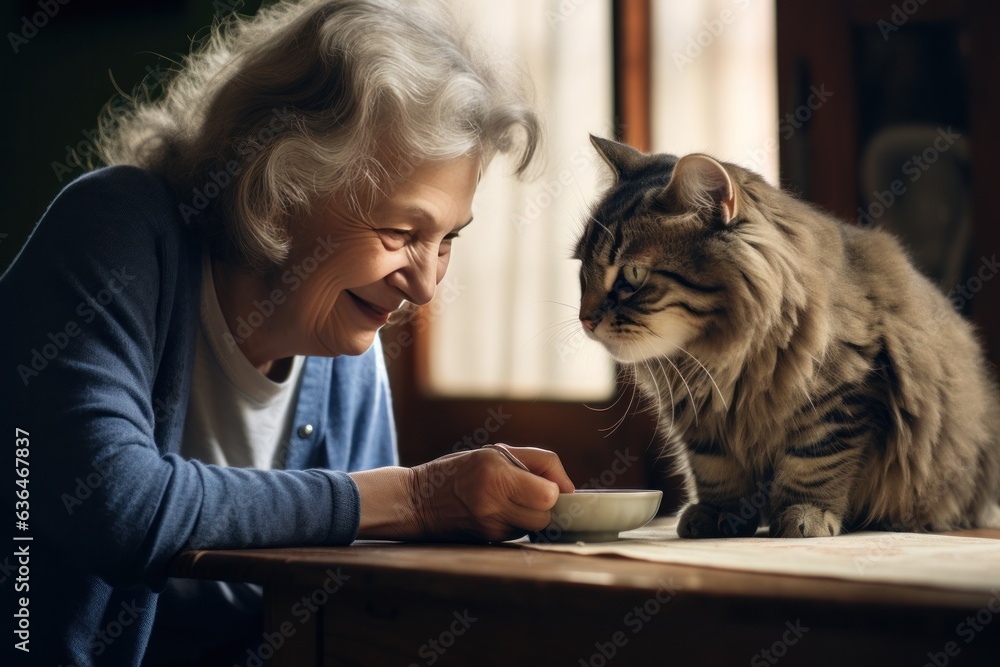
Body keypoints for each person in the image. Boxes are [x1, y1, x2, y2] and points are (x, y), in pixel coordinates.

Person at [0, 1, 575, 665]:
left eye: (448, 240)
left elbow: (358, 597)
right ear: (282, 182)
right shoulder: (115, 230)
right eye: (400, 233)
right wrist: (414, 495)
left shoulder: (346, 343)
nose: (424, 285)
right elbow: (116, 506)